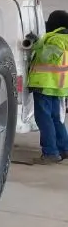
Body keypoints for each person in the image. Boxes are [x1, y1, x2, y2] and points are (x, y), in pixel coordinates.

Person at [28, 10, 68, 164]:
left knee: (44, 119)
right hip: (58, 86)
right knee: (56, 118)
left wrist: (36, 43)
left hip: (44, 84)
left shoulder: (56, 39)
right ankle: (63, 148)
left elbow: (46, 57)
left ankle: (50, 152)